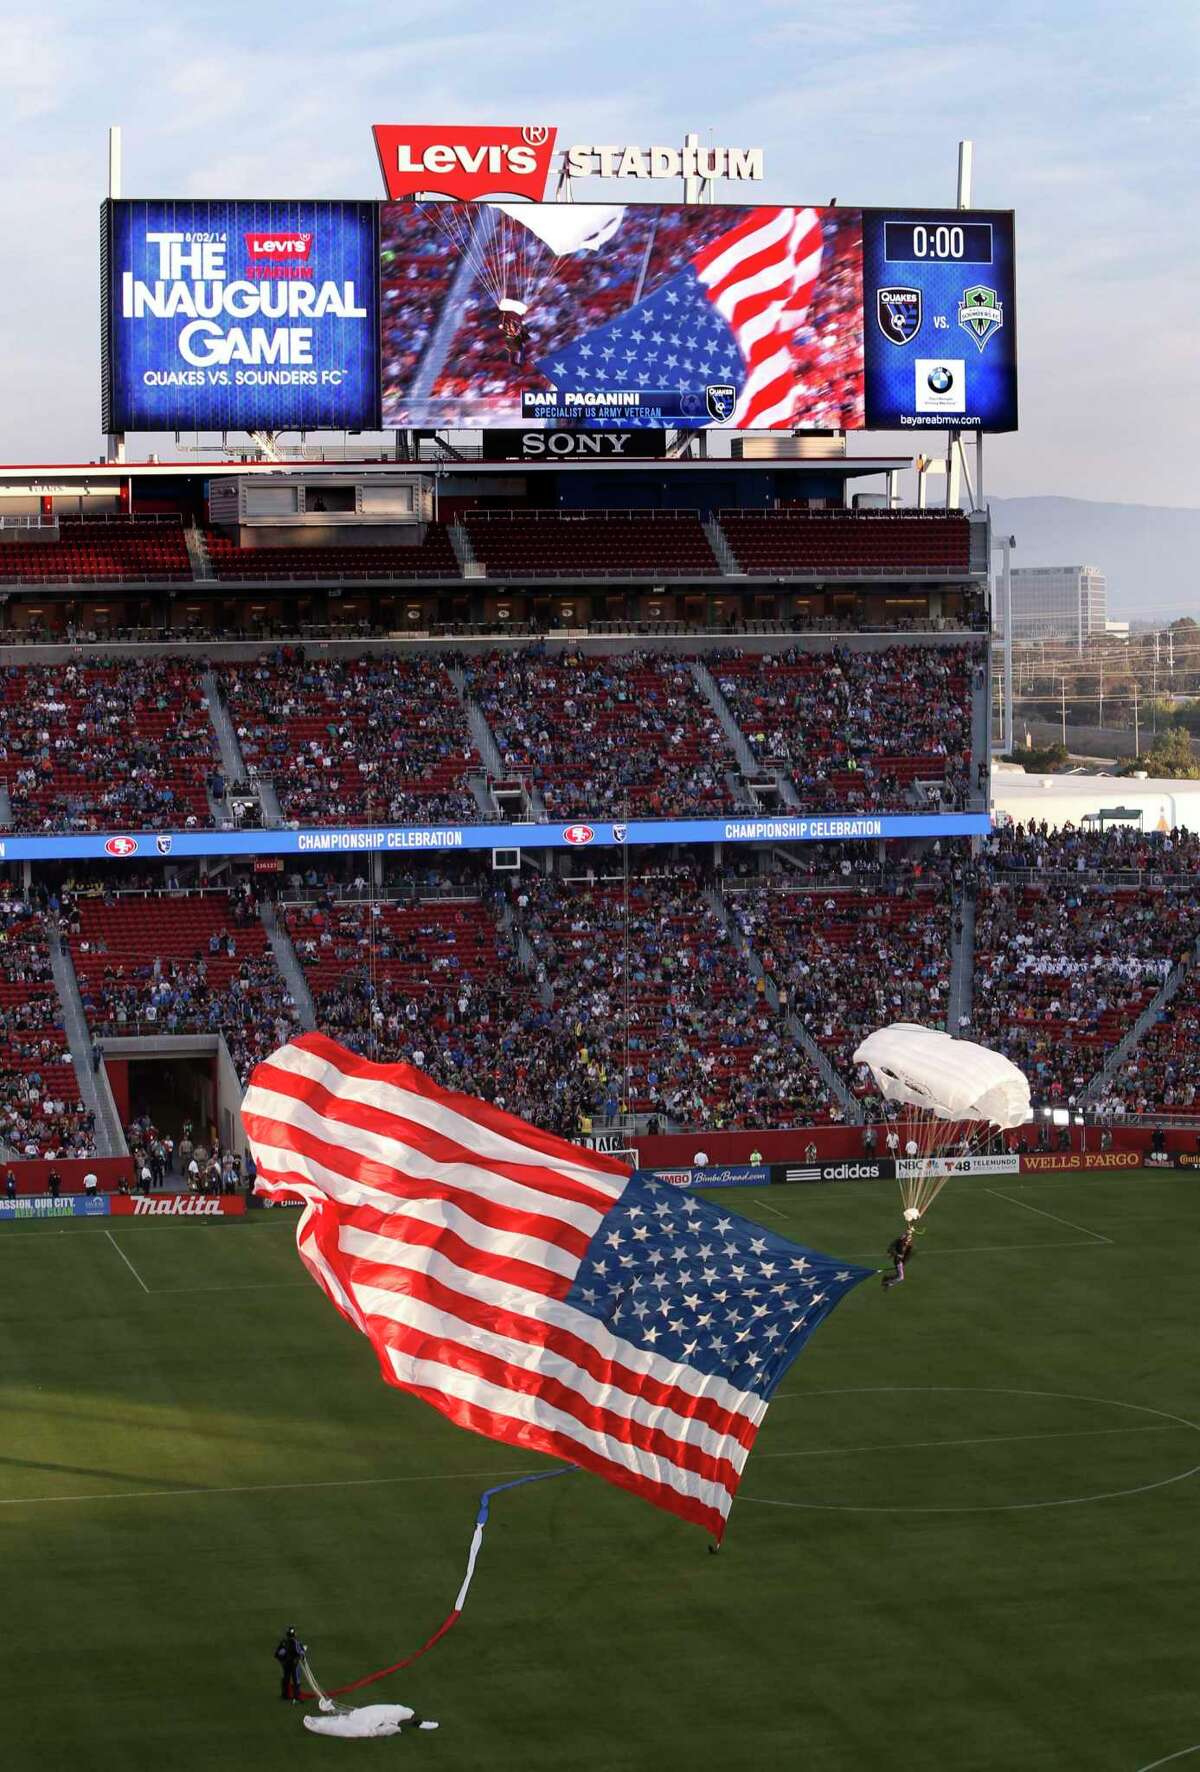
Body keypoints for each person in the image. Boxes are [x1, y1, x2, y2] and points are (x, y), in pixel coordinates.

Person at [275, 1626, 306, 1702]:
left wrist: (282, 1661)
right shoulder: (295, 1642)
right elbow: (299, 1652)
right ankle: (297, 1696)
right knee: (296, 1680)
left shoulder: (284, 1642)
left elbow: (278, 1653)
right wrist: (303, 1652)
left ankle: (285, 1694)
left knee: (286, 1678)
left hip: (286, 1664)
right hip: (294, 1664)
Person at [882, 1228, 914, 1292]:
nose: (910, 1240)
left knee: (899, 1276)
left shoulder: (904, 1243)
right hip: (898, 1261)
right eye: (909, 1238)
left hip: (900, 1261)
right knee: (901, 1277)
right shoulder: (901, 1243)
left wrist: (909, 1232)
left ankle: (888, 1282)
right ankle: (886, 1281)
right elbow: (900, 1241)